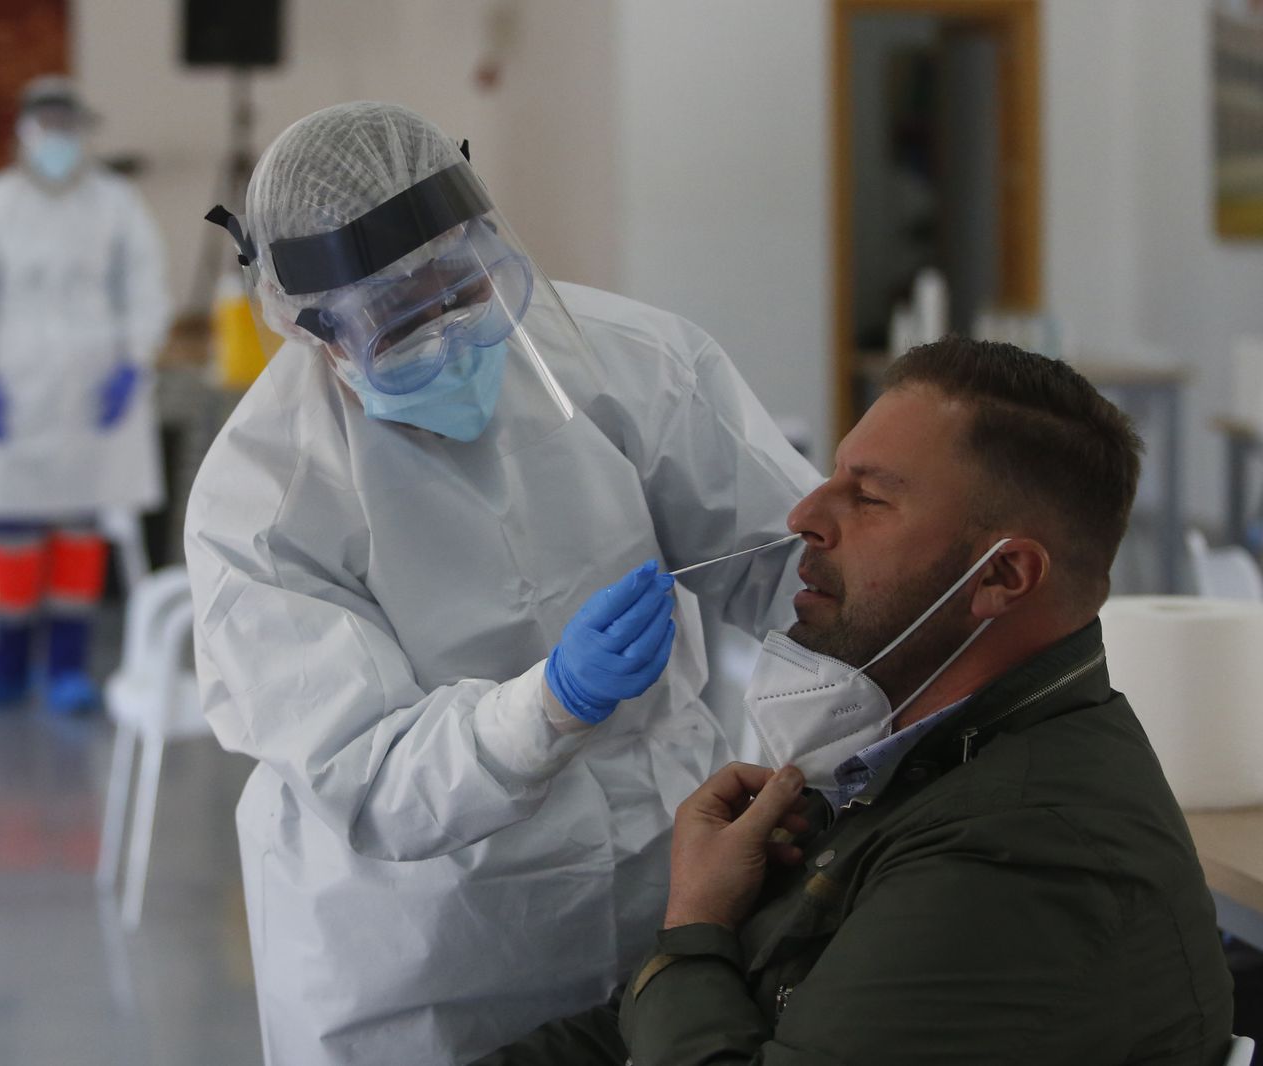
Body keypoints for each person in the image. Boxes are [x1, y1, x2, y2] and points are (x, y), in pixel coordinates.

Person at [186, 101, 819, 1066]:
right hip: (421, 960)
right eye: (400, 320)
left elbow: (791, 565)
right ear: (314, 330)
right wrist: (551, 705)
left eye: (464, 286)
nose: (450, 334)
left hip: (660, 890)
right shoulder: (262, 502)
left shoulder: (628, 362)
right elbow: (372, 776)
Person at [475, 337, 1235, 1066]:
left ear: (1002, 578)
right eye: (832, 476)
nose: (804, 515)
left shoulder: (1028, 850)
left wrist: (696, 926)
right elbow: (634, 1031)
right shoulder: (910, 765)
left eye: (868, 497)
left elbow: (688, 998)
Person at [0, 76, 170, 714]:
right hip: (14, 382)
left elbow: (146, 283)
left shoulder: (115, 203)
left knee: (81, 523)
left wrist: (135, 362)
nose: (57, 141)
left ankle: (67, 665)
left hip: (92, 384)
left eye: (67, 127)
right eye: (45, 127)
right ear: (23, 131)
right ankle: (6, 666)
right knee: (12, 524)